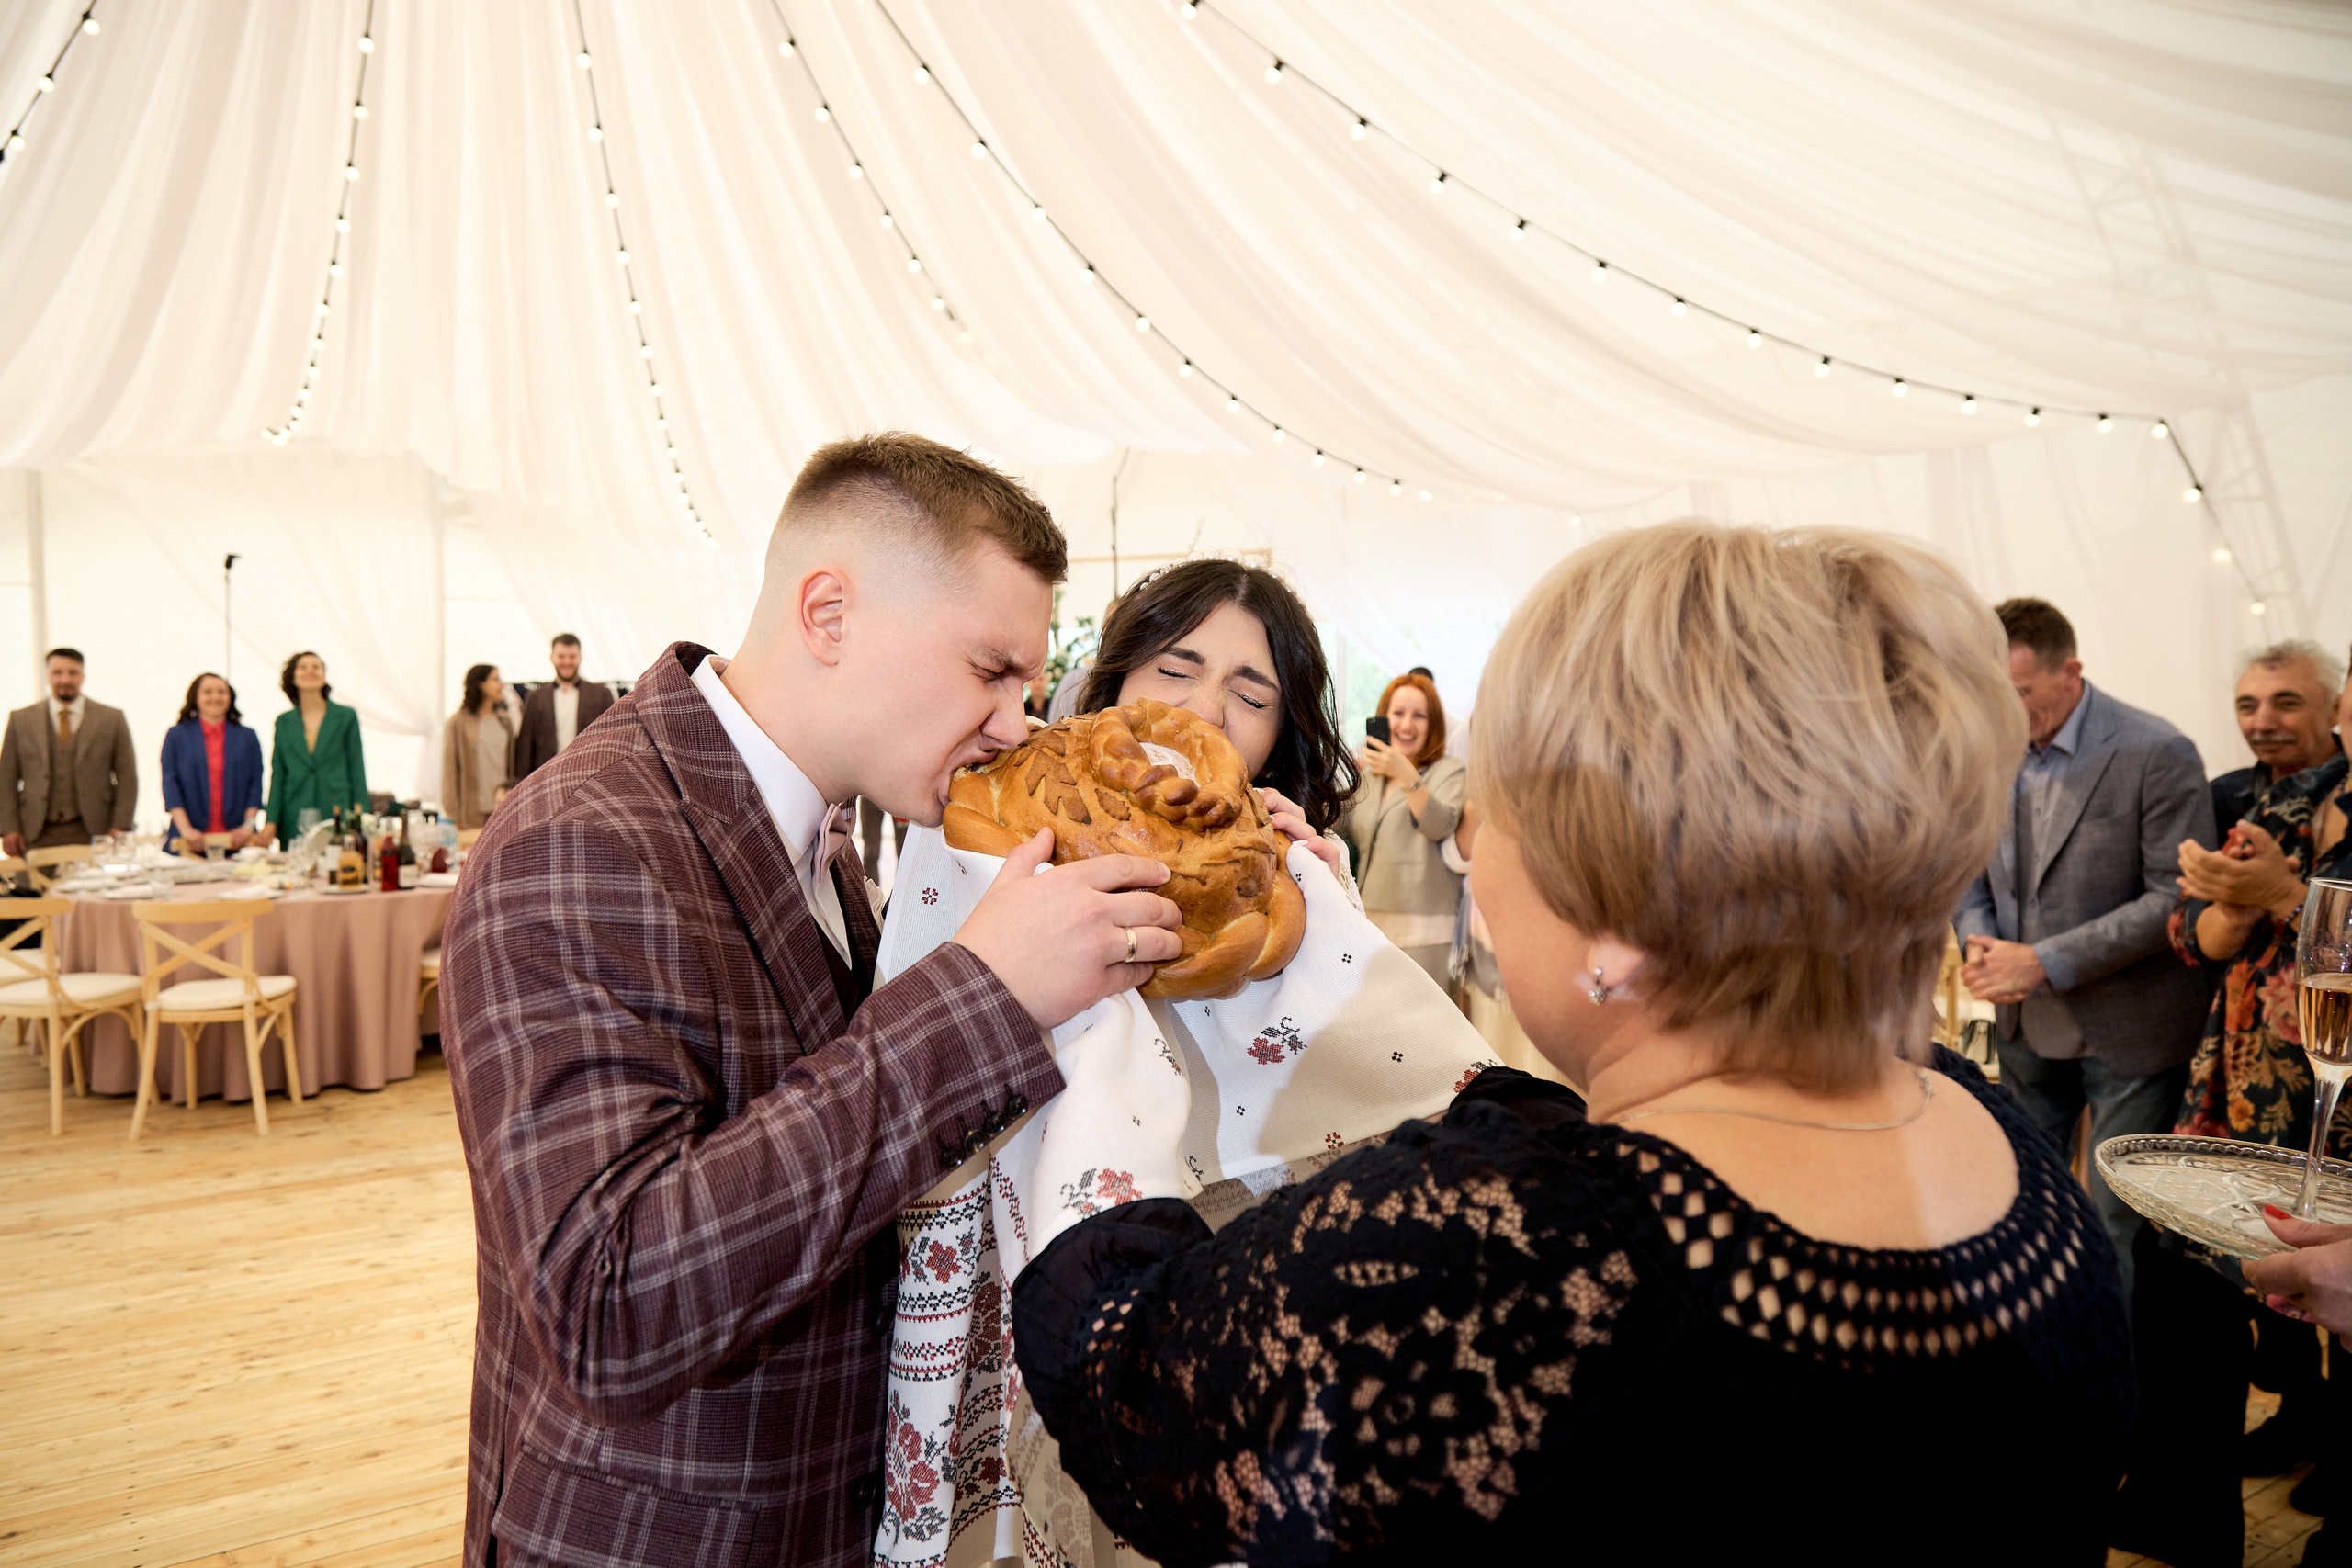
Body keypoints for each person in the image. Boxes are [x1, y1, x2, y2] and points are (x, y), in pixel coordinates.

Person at [1012, 522, 2132, 1565]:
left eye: (1496, 819)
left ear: (1617, 927)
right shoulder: (1998, 1138)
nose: (1479, 859)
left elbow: (1126, 1391)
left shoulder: (1484, 1253)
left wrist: (1101, 1053)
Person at [438, 433, 1186, 1567]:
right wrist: (982, 992)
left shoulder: (829, 843)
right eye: (990, 669)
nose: (1014, 721)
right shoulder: (579, 837)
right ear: (828, 614)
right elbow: (610, 1307)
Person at [2117, 642, 2352, 1561]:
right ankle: (2180, 1515)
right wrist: (2235, 903)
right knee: (2177, 1280)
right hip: (2234, 1090)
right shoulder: (2268, 801)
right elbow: (2195, 938)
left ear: (2322, 704)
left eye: (2285, 700)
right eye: (2249, 702)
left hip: (2335, 1114)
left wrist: (2285, 894)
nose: (2263, 720)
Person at [1955, 596, 2215, 1291]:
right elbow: (1967, 864)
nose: (2004, 711)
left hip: (2129, 1026)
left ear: (2070, 672)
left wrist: (2043, 961)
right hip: (2023, 1024)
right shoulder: (1984, 745)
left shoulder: (2156, 750)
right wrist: (1980, 943)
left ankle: (2109, 1356)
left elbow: (2174, 899)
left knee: (2114, 1224)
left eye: (2020, 693)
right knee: (2022, 1200)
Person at [1074, 558, 1359, 889]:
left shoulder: (1308, 867)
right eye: (1174, 672)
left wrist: (1319, 903)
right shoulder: (1031, 810)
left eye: (1250, 698)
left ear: (1277, 751)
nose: (1205, 713)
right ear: (1115, 685)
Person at [1343, 671, 1466, 983]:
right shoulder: (1370, 777)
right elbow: (1339, 828)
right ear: (1384, 718)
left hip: (1425, 933)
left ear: (1433, 723)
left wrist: (1408, 776)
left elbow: (1440, 825)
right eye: (1398, 713)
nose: (1407, 725)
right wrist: (1344, 778)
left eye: (1419, 715)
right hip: (1368, 925)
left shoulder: (1448, 771)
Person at [0, 648, 138, 859]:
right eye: (57, 672)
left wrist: (121, 825)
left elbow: (127, 776)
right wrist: (9, 828)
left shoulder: (112, 719)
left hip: (95, 831)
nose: (65, 679)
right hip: (35, 832)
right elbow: (6, 778)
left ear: (83, 676)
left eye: (73, 672)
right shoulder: (21, 720)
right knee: (33, 882)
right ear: (48, 675)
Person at [2211, 639, 2345, 832]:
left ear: (2336, 709)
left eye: (2287, 704)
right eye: (2248, 707)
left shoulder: (2347, 793)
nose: (2262, 725)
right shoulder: (2221, 798)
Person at [259, 651, 367, 843]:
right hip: (294, 811)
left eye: (316, 667)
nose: (310, 670)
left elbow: (357, 768)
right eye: (303, 667)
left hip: (336, 808)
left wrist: (362, 817)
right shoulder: (283, 722)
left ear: (324, 676)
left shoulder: (346, 716)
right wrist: (271, 821)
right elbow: (278, 774)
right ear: (292, 677)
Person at [160, 673, 264, 852]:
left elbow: (256, 783)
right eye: (208, 692)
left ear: (230, 697)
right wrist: (186, 830)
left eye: (222, 692)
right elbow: (170, 785)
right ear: (195, 697)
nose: (215, 697)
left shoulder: (247, 736)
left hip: (238, 840)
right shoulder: (176, 736)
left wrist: (247, 826)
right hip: (188, 841)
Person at [513, 633, 616, 781]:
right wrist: (520, 782)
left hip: (589, 777)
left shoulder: (601, 694)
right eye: (561, 656)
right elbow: (525, 745)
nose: (567, 662)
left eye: (572, 656)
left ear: (580, 658)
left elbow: (611, 739)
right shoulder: (535, 697)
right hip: (545, 778)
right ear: (552, 657)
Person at [440, 665, 515, 832]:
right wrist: (453, 814)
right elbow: (449, 771)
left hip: (502, 808)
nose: (502, 685)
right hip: (471, 813)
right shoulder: (457, 723)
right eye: (496, 679)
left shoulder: (505, 721)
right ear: (480, 684)